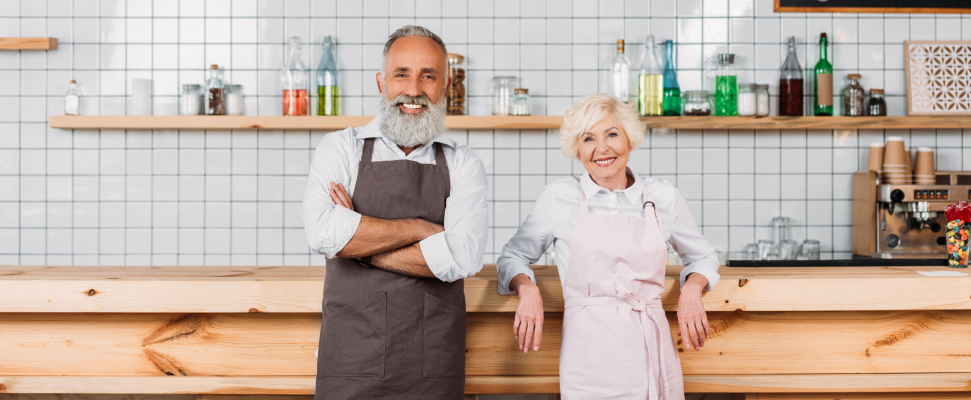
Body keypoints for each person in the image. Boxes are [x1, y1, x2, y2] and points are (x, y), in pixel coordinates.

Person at [303, 25, 489, 400]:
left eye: (428, 76)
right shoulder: (341, 148)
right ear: (381, 83)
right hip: (351, 356)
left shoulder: (463, 163)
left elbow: (461, 258)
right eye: (401, 74)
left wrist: (359, 242)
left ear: (445, 87)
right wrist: (423, 229)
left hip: (432, 359)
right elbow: (324, 234)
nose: (414, 89)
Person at [496, 94, 720, 399]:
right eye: (588, 138)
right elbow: (512, 256)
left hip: (649, 349)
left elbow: (703, 256)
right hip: (588, 359)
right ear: (577, 150)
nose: (602, 148)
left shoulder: (662, 196)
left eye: (612, 134)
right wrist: (527, 288)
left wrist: (692, 289)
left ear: (628, 139)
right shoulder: (559, 197)